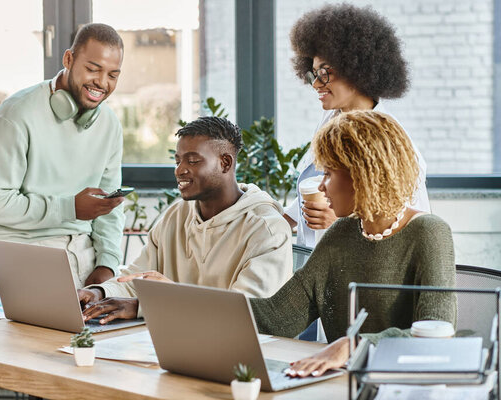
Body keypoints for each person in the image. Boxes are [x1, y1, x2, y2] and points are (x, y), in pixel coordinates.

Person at [250, 111, 456, 378]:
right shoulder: (342, 232)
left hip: (400, 386)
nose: (321, 187)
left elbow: (437, 332)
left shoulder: (429, 232)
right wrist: (203, 301)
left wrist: (354, 345)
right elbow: (279, 317)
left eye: (329, 174)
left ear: (363, 175)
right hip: (341, 384)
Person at [78, 116, 293, 323]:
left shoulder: (267, 229)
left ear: (225, 163)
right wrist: (99, 292)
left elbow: (244, 311)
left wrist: (144, 306)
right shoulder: (176, 215)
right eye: (178, 160)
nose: (180, 170)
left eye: (193, 160)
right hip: (174, 341)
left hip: (241, 354)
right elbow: (136, 279)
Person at [0, 23, 126, 289]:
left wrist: (107, 264)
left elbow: (109, 207)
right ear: (68, 59)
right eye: (93, 69)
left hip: (84, 255)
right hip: (23, 256)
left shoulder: (110, 124)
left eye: (112, 75)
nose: (102, 83)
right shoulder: (15, 115)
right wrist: (69, 208)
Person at [283, 4, 430, 248]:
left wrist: (341, 223)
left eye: (325, 73)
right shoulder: (333, 120)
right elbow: (315, 192)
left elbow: (412, 232)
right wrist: (276, 222)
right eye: (312, 75)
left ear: (358, 69)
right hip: (315, 265)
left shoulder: (390, 143)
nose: (316, 84)